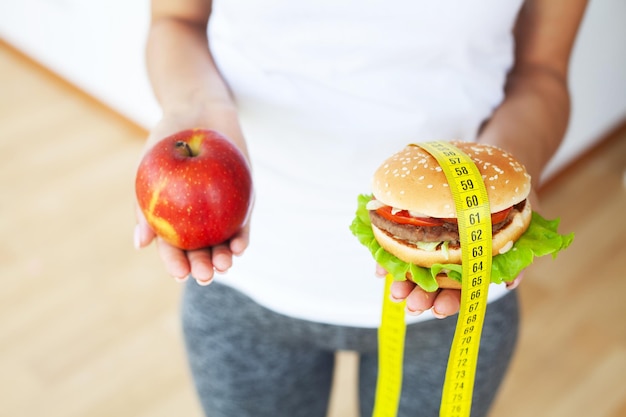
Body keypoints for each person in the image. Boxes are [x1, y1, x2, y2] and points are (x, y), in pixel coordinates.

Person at [134, 1, 587, 416]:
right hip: (243, 278)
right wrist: (197, 109)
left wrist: (496, 180)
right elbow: (176, 20)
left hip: (460, 299)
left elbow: (541, 70)